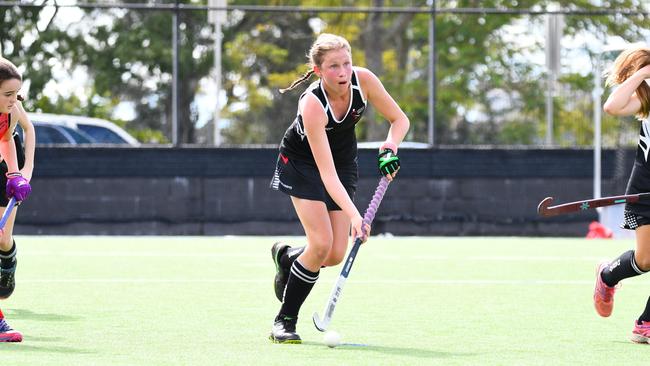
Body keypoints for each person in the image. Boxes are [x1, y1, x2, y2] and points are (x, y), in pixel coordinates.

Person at [268, 33, 409, 343]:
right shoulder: (312, 104)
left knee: (332, 254)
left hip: (343, 162)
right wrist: (356, 216)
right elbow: (326, 175)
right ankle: (285, 320)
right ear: (319, 71)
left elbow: (399, 119)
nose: (343, 72)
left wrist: (390, 146)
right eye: (333, 67)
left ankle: (289, 258)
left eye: (346, 63)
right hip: (303, 163)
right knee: (320, 243)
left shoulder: (364, 81)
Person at [0, 57, 35, 342]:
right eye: (8, 95)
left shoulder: (8, 113)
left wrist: (15, 175)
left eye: (17, 94)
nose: (15, 100)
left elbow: (6, 140)